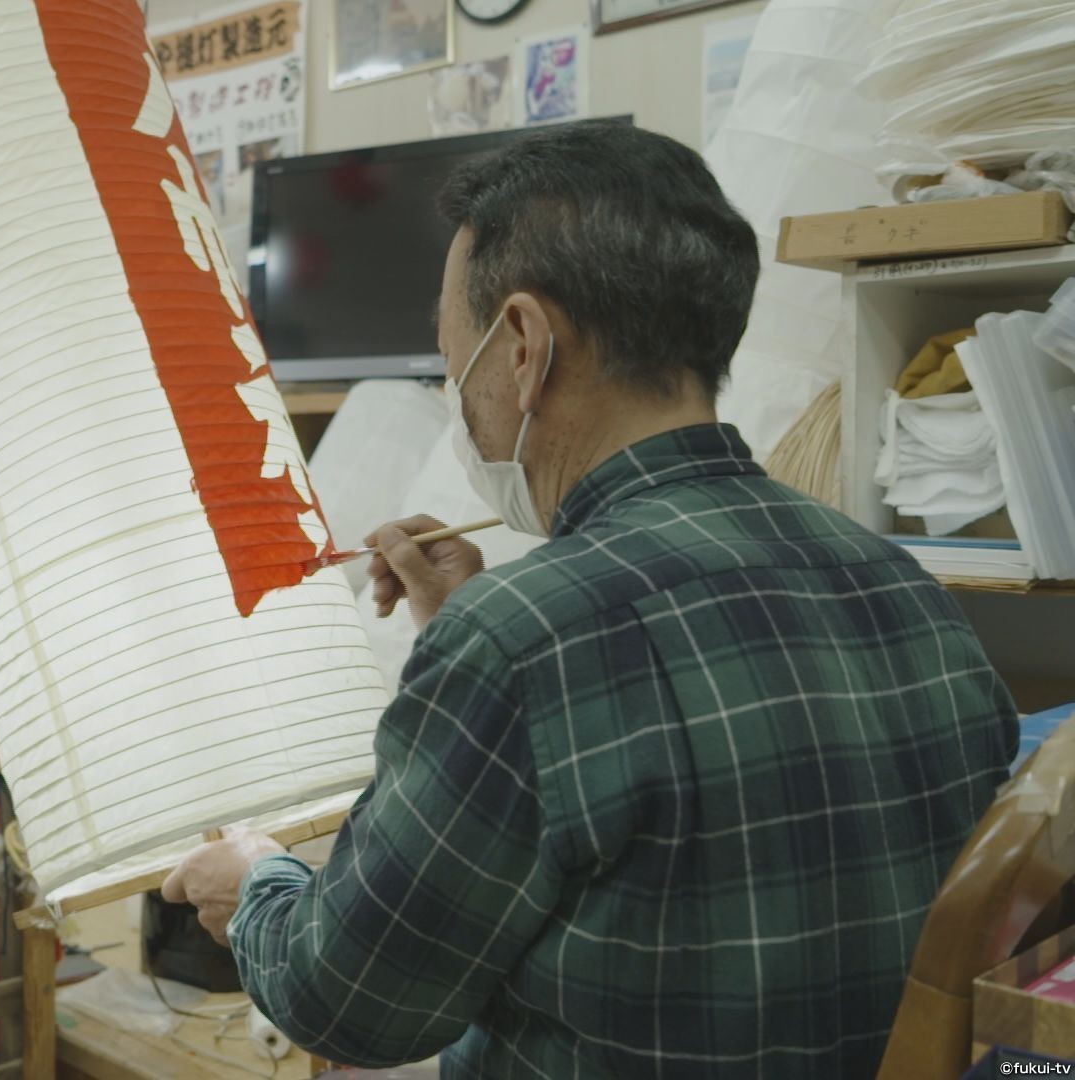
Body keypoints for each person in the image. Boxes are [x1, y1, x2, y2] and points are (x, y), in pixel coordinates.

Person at [163, 122, 1019, 1076]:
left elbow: (352, 1002)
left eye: (451, 364)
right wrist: (469, 644)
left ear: (523, 346)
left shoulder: (524, 644)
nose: (456, 399)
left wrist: (258, 884)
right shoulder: (900, 584)